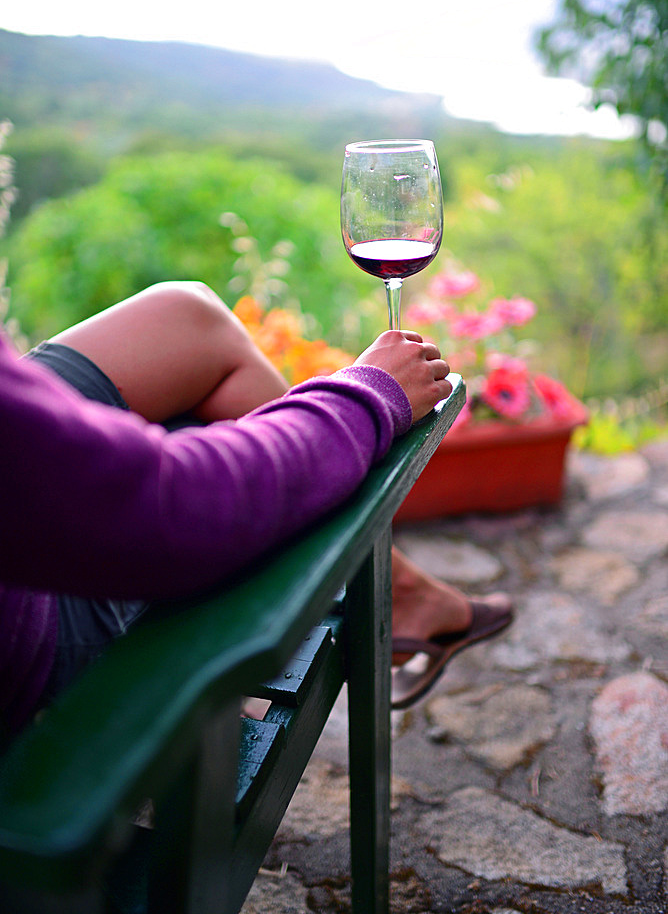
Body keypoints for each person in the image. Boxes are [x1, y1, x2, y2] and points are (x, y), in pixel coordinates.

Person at [0, 281, 511, 739]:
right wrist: (366, 396)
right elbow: (166, 508)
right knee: (202, 434)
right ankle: (403, 595)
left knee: (187, 318)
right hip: (35, 619)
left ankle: (402, 592)